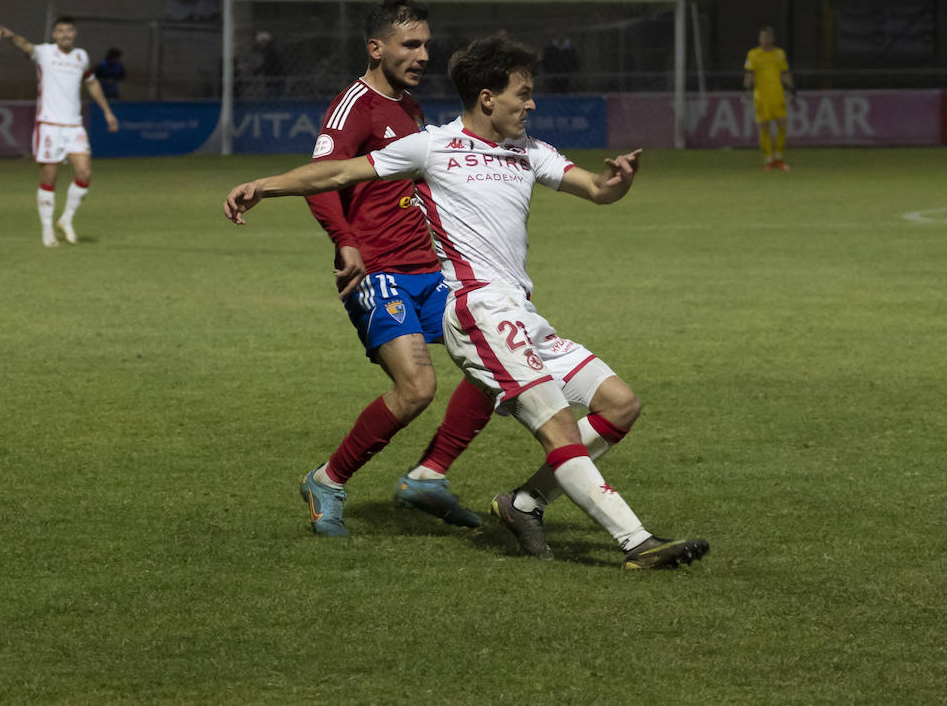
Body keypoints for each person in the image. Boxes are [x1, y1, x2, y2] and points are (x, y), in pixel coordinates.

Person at [225, 33, 709, 569]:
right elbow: (340, 170)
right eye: (522, 94)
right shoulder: (432, 146)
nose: (530, 105)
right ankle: (636, 542)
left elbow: (595, 189)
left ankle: (523, 503)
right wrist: (264, 185)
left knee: (620, 405)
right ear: (486, 98)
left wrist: (618, 181)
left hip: (523, 315)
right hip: (478, 311)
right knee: (556, 426)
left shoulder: (529, 152)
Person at [293, 0, 485, 537]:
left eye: (427, 44)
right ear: (376, 48)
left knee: (498, 367)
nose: (424, 55)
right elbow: (321, 177)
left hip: (432, 272)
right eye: (411, 45)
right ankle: (327, 479)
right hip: (379, 272)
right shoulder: (354, 104)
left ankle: (429, 475)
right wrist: (346, 242)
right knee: (418, 389)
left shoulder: (410, 108)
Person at [0, 17, 119, 247]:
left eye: (69, 30)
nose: (65, 34)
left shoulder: (81, 56)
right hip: (49, 125)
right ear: (54, 34)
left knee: (84, 174)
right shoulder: (45, 53)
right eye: (60, 31)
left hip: (74, 125)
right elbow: (26, 45)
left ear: (75, 33)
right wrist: (11, 37)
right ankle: (47, 230)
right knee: (49, 177)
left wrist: (107, 111)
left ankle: (66, 219)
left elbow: (91, 82)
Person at [743, 25, 795, 171]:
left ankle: (779, 158)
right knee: (764, 128)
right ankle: (768, 160)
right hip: (761, 97)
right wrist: (745, 90)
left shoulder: (779, 54)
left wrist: (792, 89)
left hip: (777, 95)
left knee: (782, 125)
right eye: (762, 36)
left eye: (767, 36)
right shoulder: (753, 54)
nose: (764, 39)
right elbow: (749, 75)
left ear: (772, 38)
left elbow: (785, 74)